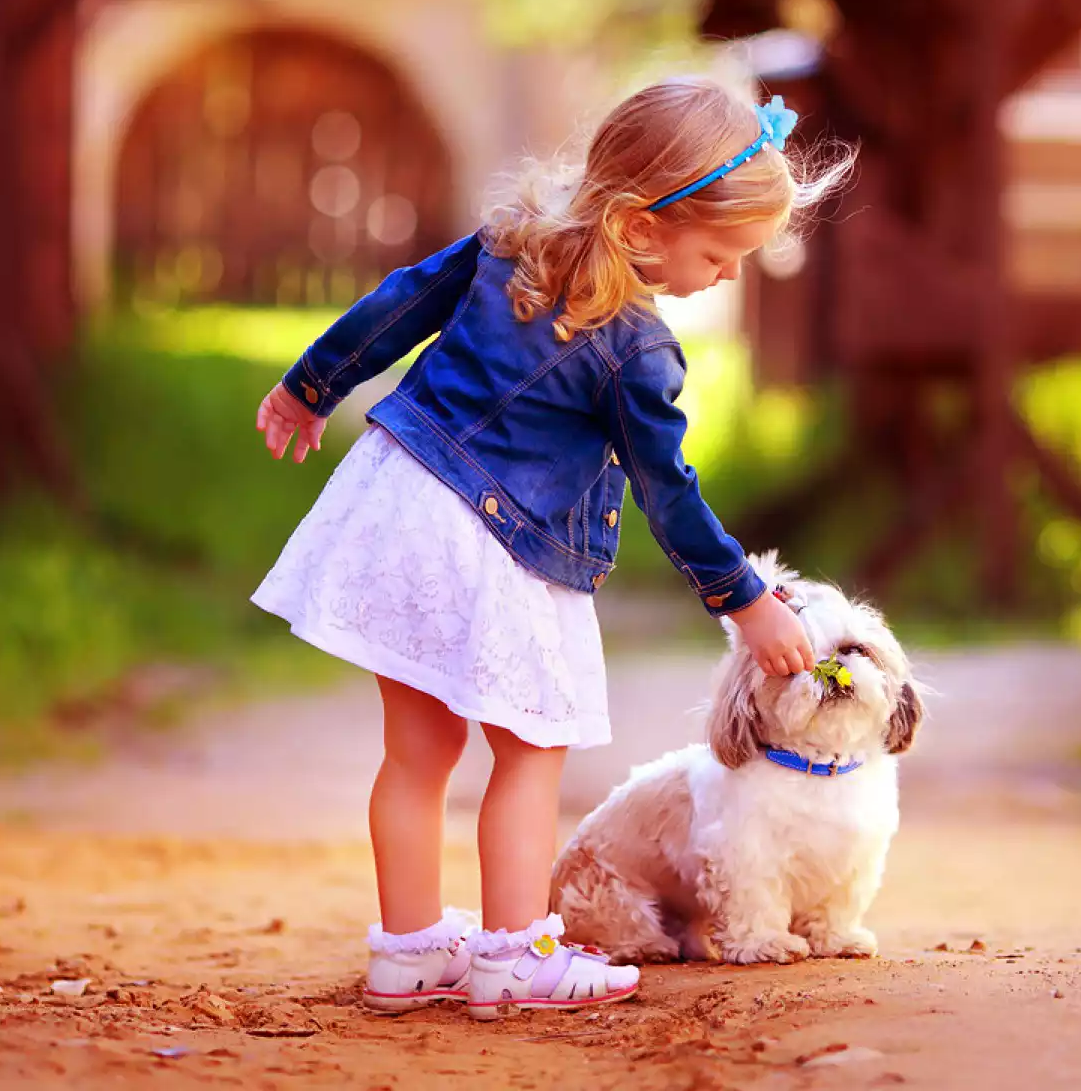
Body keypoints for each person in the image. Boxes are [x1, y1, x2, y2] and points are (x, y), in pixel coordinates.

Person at [252, 75, 849, 1020]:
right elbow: (668, 493)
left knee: (418, 749)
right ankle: (515, 955)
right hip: (489, 540)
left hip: (396, 503)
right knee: (532, 750)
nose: (729, 275)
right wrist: (745, 597)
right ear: (646, 228)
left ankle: (408, 951)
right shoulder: (636, 351)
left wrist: (309, 386)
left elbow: (397, 305)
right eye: (722, 253)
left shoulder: (505, 244)